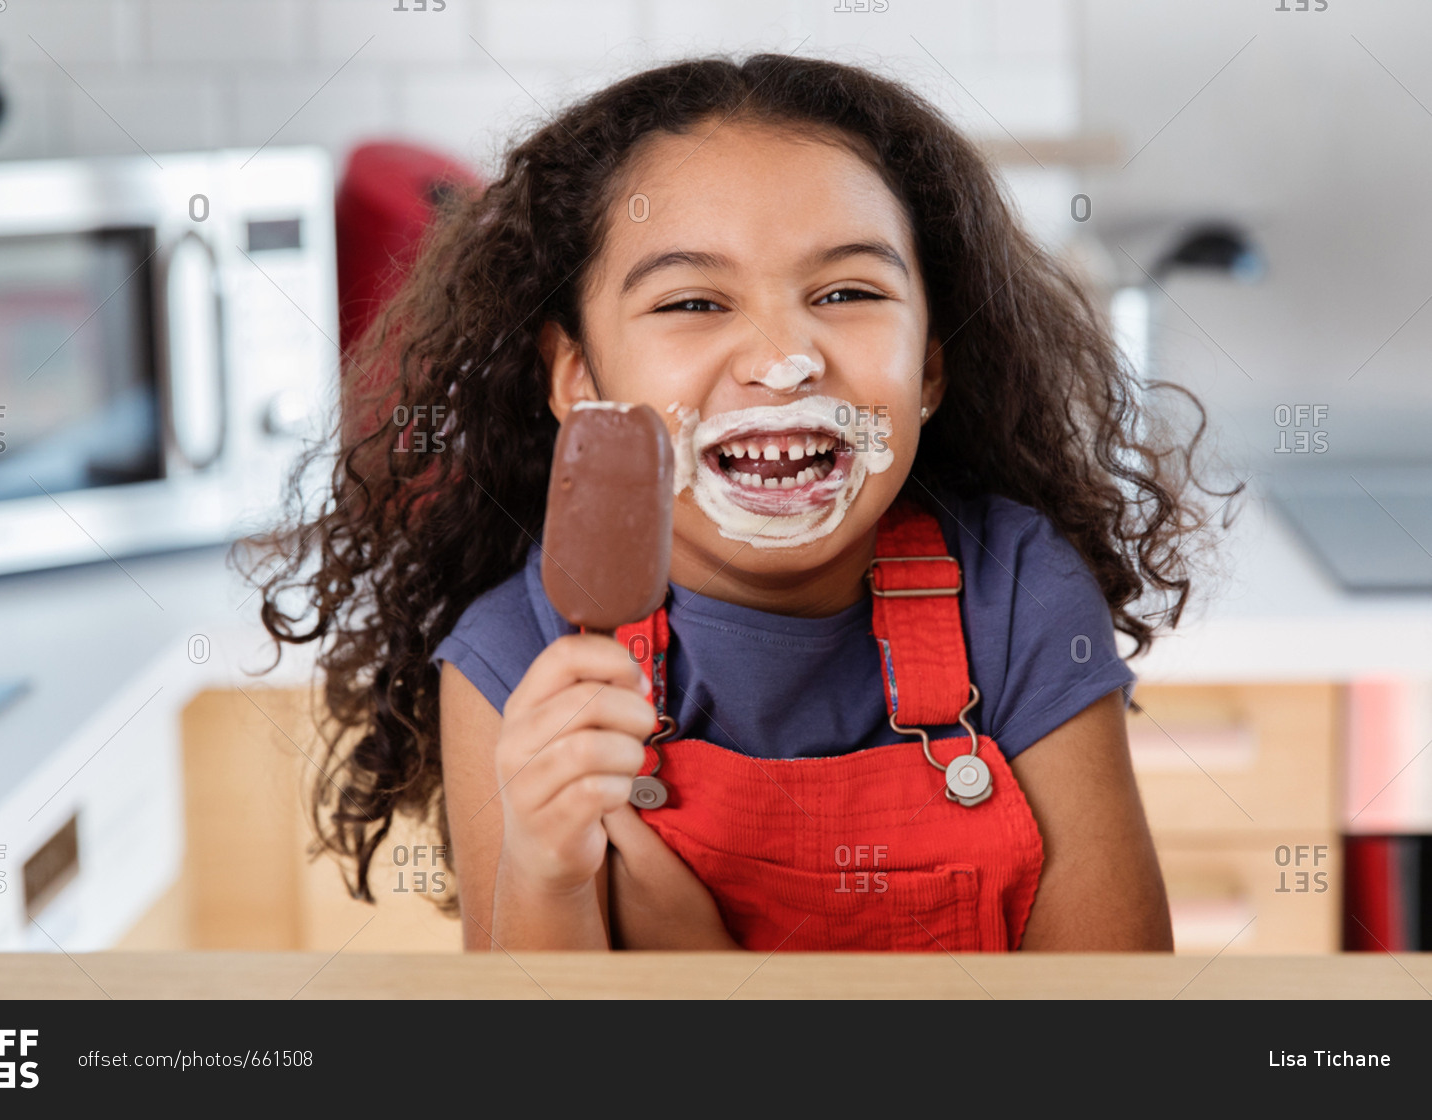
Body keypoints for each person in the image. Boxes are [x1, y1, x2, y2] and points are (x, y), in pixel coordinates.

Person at [249, 54, 1235, 952]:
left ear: (929, 369)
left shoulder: (1021, 597)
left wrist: (710, 974)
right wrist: (547, 876)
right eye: (693, 303)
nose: (783, 359)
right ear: (579, 378)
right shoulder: (513, 656)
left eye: (847, 293)